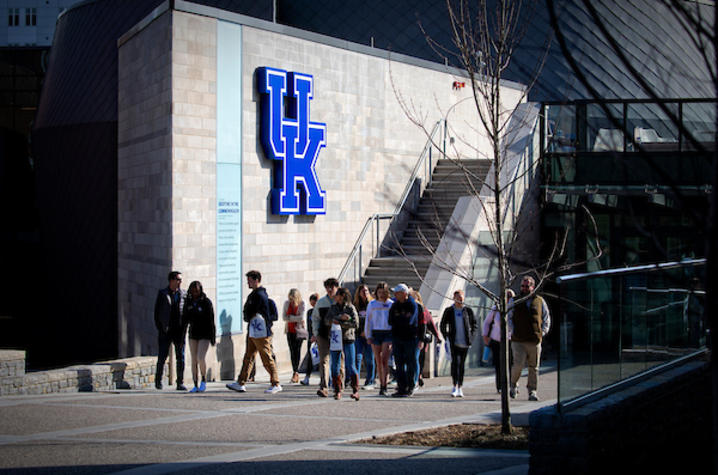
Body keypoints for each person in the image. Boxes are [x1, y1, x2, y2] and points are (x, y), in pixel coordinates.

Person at [226, 270, 282, 394]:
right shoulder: (254, 295)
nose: (248, 283)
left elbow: (265, 315)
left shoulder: (260, 295)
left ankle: (275, 382)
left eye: (250, 281)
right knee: (248, 356)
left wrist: (264, 328)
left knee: (266, 356)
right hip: (253, 330)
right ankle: (241, 382)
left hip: (260, 332)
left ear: (256, 280)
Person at [508, 275, 550, 401]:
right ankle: (513, 385)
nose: (524, 288)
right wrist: (512, 330)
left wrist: (543, 331)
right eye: (522, 286)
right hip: (518, 339)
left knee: (534, 367)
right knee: (518, 365)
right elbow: (508, 317)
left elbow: (546, 317)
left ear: (532, 287)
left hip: (534, 339)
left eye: (527, 286)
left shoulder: (539, 301)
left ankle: (532, 391)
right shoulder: (514, 301)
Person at [388, 283, 425, 397]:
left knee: (411, 363)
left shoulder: (414, 305)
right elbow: (390, 320)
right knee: (399, 363)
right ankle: (401, 387)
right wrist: (400, 319)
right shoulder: (395, 305)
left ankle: (411, 386)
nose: (395, 295)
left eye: (397, 293)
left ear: (404, 294)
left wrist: (421, 339)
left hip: (411, 338)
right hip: (397, 338)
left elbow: (411, 322)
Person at [440, 289, 477, 398]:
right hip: (454, 342)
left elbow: (474, 325)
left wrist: (471, 337)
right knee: (455, 363)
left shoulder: (468, 311)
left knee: (461, 365)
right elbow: (442, 324)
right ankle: (454, 385)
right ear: (454, 298)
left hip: (465, 342)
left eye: (461, 298)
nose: (459, 300)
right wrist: (446, 336)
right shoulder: (449, 310)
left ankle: (460, 386)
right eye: (457, 298)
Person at [154, 271, 187, 390]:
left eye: (180, 280)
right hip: (166, 331)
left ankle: (180, 382)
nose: (180, 282)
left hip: (179, 331)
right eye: (178, 279)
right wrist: (161, 328)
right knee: (162, 357)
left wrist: (185, 327)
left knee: (181, 357)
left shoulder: (183, 294)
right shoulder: (163, 294)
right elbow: (157, 313)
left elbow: (186, 312)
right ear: (171, 280)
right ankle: (158, 381)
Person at [183, 280, 216, 393]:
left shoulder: (206, 302)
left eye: (197, 291)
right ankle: (195, 383)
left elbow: (211, 320)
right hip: (193, 333)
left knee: (200, 357)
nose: (195, 293)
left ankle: (203, 379)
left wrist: (212, 337)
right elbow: (185, 319)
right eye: (193, 291)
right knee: (193, 359)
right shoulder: (189, 302)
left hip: (205, 334)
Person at [327, 287, 359, 400]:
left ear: (342, 296)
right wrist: (339, 318)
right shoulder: (333, 307)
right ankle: (337, 390)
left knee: (350, 365)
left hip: (348, 338)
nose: (335, 297)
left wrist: (345, 321)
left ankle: (355, 390)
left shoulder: (350, 308)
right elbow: (327, 320)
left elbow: (355, 324)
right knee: (334, 366)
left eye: (337, 295)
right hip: (336, 339)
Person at [482, 289, 515, 393]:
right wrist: (485, 336)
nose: (508, 299)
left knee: (511, 364)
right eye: (506, 296)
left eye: (510, 297)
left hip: (511, 339)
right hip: (497, 340)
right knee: (498, 364)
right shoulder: (496, 308)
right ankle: (500, 386)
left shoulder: (514, 308)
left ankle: (511, 385)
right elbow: (487, 322)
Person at [312, 278, 340, 397]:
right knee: (324, 361)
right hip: (323, 334)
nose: (329, 290)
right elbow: (315, 318)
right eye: (327, 287)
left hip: (338, 335)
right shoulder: (321, 302)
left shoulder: (341, 301)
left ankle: (339, 387)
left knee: (339, 361)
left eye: (332, 287)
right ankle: (324, 386)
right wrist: (316, 332)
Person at [365, 282, 393, 396]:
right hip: (376, 332)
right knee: (378, 360)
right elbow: (368, 320)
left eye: (383, 292)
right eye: (379, 292)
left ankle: (384, 385)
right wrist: (368, 335)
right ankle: (381, 384)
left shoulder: (390, 304)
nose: (381, 295)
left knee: (384, 359)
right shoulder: (372, 304)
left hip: (387, 333)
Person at [411, 289, 441, 388]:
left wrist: (438, 336)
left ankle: (418, 376)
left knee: (420, 359)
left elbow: (431, 325)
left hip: (421, 339)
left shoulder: (423, 310)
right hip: (410, 338)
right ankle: (415, 377)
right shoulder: (408, 309)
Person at [353, 285, 376, 390]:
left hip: (370, 336)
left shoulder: (372, 304)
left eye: (366, 291)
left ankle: (370, 380)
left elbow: (374, 320)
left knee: (369, 359)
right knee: (357, 358)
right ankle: (355, 380)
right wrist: (360, 332)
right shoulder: (355, 305)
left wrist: (367, 333)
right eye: (362, 291)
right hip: (358, 335)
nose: (365, 293)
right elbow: (354, 321)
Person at [282, 288, 306, 384]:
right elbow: (284, 317)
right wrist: (294, 318)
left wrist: (290, 318)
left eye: (293, 298)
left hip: (299, 331)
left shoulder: (302, 304)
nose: (291, 300)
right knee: (292, 351)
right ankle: (294, 372)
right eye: (290, 298)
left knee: (297, 351)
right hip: (289, 330)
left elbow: (301, 317)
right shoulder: (286, 304)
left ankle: (296, 372)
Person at [300, 293, 319, 385]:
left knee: (322, 359)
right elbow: (309, 325)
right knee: (310, 359)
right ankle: (307, 377)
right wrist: (311, 336)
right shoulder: (310, 312)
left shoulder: (320, 311)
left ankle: (324, 378)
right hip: (311, 338)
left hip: (319, 337)